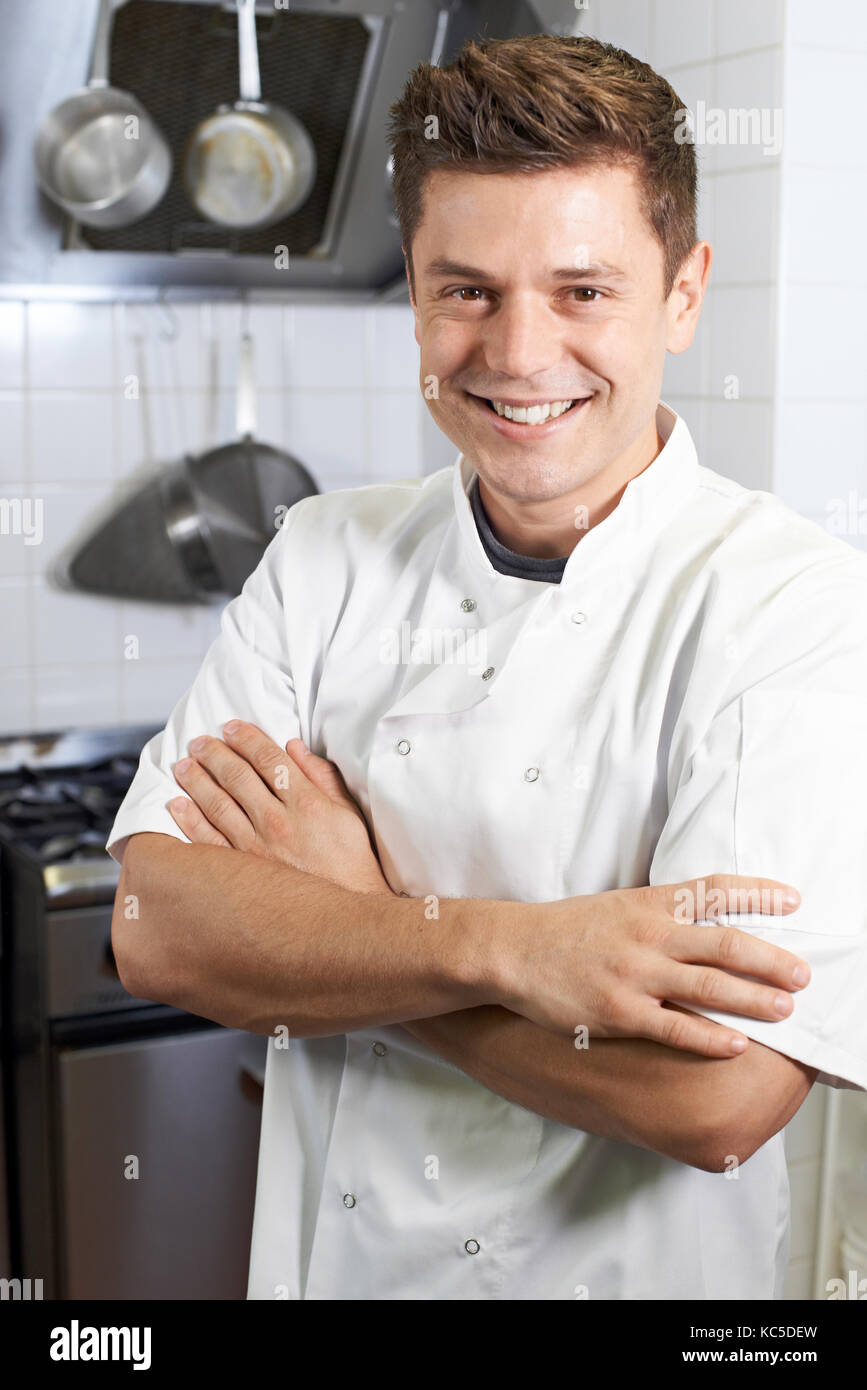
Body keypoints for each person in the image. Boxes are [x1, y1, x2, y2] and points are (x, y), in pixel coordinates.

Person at [107, 34, 867, 1300]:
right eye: (466, 290)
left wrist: (355, 920)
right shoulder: (322, 554)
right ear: (413, 290)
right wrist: (509, 949)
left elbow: (720, 1099)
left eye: (583, 292)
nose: (517, 357)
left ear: (685, 293)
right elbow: (153, 928)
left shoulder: (790, 606)